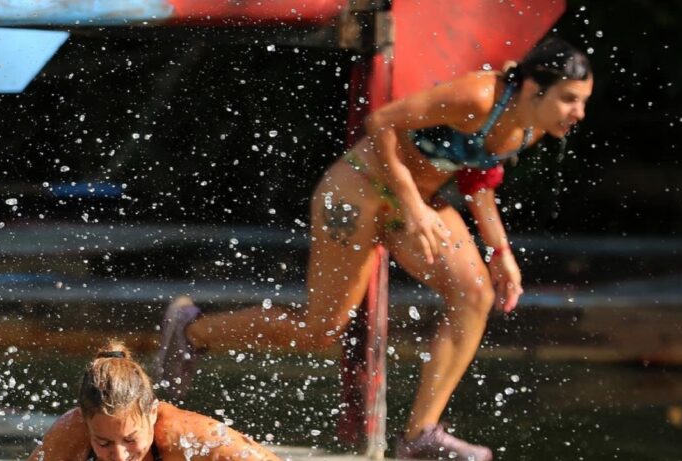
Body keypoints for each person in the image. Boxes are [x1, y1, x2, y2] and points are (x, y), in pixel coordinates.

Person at [155, 37, 593, 461]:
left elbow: (477, 178)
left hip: (415, 206)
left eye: (583, 101)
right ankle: (193, 331)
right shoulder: (478, 96)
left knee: (475, 293)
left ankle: (420, 436)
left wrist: (501, 252)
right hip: (358, 191)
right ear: (533, 87)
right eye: (570, 99)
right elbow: (382, 121)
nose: (579, 113)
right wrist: (413, 205)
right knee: (321, 331)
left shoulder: (531, 127)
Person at [27, 340, 282, 461]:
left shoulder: (191, 437)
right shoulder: (70, 434)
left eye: (130, 439)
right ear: (86, 423)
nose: (120, 456)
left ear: (151, 414)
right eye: (103, 442)